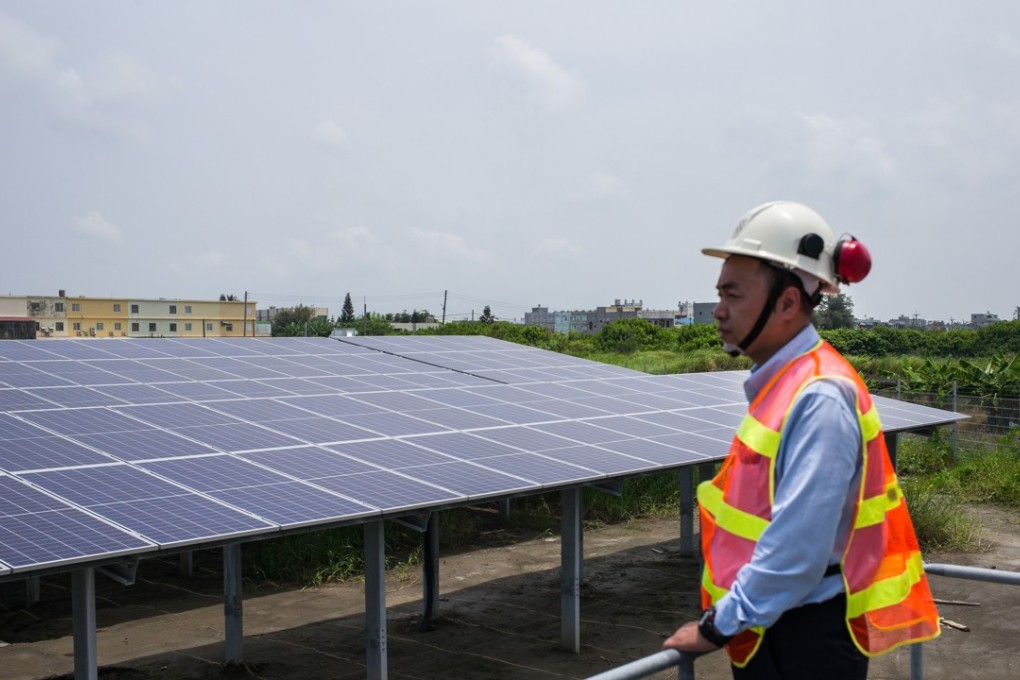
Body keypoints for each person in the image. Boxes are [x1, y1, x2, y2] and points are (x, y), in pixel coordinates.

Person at [663, 201, 940, 679]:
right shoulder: (784, 382)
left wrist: (715, 628)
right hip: (779, 630)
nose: (719, 311)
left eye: (733, 295)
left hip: (805, 642)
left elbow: (797, 552)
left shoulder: (819, 397)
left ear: (788, 303)